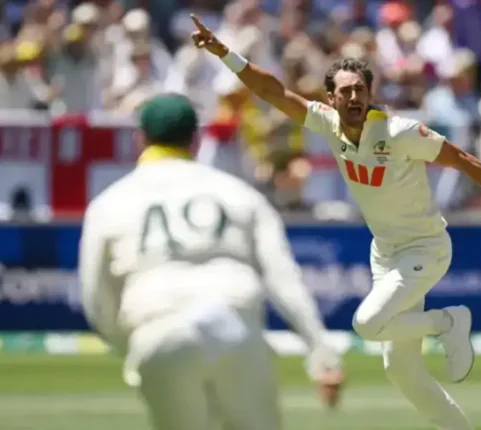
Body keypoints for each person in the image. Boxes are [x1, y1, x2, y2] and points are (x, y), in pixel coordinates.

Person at [191, 15, 481, 430]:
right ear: (331, 98)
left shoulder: (400, 132)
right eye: (345, 91)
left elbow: (461, 159)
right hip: (385, 254)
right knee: (402, 370)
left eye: (360, 89)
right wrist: (223, 52)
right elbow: (271, 91)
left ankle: (449, 321)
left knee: (367, 323)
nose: (354, 97)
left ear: (370, 93)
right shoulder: (327, 123)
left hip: (426, 248)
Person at [78, 93, 343, 430]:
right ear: (196, 139)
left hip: (157, 329)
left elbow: (96, 298)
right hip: (234, 324)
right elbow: (283, 279)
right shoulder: (237, 193)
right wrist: (321, 353)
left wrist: (128, 342)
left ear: (140, 139)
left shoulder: (109, 204)